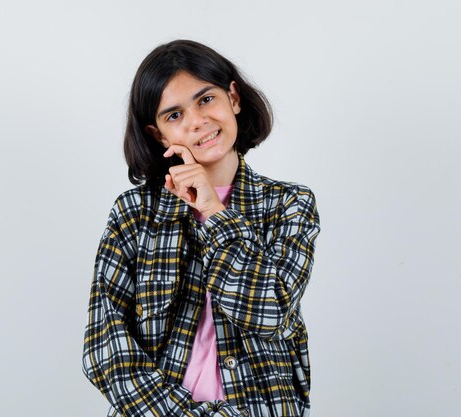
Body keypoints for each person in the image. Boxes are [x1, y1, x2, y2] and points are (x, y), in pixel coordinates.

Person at [82, 39, 321, 417]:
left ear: (234, 98)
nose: (196, 121)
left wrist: (214, 211)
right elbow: (106, 350)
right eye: (173, 115)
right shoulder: (133, 214)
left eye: (206, 99)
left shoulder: (289, 205)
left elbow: (271, 311)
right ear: (158, 134)